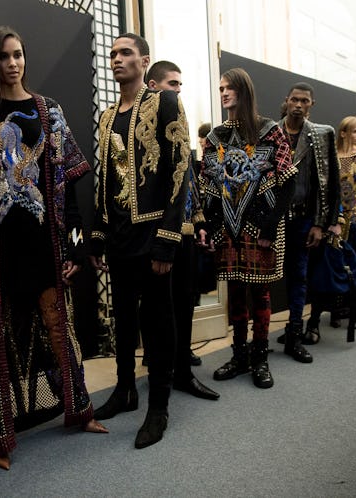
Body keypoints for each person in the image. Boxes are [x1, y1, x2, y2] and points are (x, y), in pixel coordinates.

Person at [0, 26, 107, 471]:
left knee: (58, 328)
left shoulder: (49, 111)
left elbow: (68, 192)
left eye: (19, 55)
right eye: (5, 57)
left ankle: (80, 410)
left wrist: (73, 248)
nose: (13, 64)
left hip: (45, 244)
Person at [90, 33, 191, 448]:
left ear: (144, 61)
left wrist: (167, 239)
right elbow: (104, 178)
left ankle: (159, 407)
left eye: (125, 53)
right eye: (112, 54)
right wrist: (97, 235)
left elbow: (180, 169)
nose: (116, 59)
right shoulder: (107, 115)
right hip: (118, 234)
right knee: (125, 318)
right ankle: (125, 388)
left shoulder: (164, 102)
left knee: (157, 319)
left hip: (153, 233)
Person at [199, 68, 296, 389]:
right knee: (236, 291)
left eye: (229, 88)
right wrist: (210, 229)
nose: (223, 93)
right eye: (221, 88)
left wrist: (270, 226)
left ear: (244, 91)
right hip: (227, 225)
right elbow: (208, 186)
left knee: (261, 292)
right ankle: (239, 354)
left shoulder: (270, 131)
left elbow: (288, 181)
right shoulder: (215, 137)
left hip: (261, 225)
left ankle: (260, 358)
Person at [146, 61, 218, 400]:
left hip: (187, 231)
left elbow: (189, 183)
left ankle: (182, 369)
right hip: (159, 233)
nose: (178, 90)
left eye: (180, 84)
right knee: (160, 306)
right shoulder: (143, 133)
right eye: (172, 83)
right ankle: (162, 365)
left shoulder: (180, 126)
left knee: (186, 301)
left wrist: (200, 223)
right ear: (153, 85)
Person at [275, 82, 340, 352]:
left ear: (311, 104)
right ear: (286, 101)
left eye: (304, 101)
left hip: (304, 218)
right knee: (274, 277)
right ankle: (282, 331)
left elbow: (332, 182)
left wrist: (322, 223)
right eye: (294, 100)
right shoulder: (271, 132)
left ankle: (295, 333)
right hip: (276, 219)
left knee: (300, 275)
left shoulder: (323, 134)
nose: (298, 105)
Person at [307, 116, 356, 332]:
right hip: (332, 222)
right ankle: (333, 312)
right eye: (355, 131)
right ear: (343, 133)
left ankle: (355, 313)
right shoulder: (332, 158)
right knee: (329, 267)